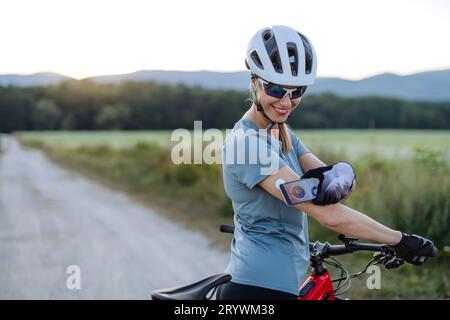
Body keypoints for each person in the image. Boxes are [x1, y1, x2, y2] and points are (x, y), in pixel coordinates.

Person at [217, 25, 437, 300]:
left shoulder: (281, 133)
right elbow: (328, 214)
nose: (287, 101)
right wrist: (400, 239)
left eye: (297, 91)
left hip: (281, 281)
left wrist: (337, 177)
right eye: (276, 89)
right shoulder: (246, 145)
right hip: (258, 289)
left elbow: (331, 180)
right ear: (254, 82)